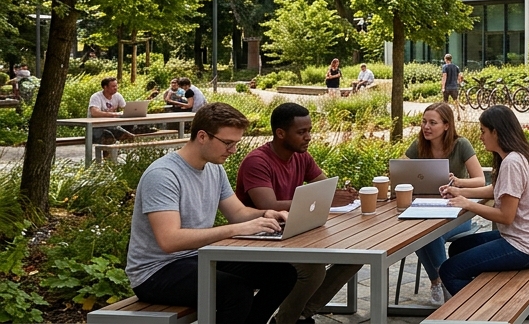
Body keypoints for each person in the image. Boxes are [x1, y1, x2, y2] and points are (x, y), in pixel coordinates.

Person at [126, 102, 297, 323]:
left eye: (236, 143)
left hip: (199, 258)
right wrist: (237, 229)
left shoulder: (214, 168)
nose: (233, 150)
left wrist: (267, 214)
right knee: (236, 292)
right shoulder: (163, 175)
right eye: (227, 143)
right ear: (202, 136)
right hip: (156, 272)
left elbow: (237, 212)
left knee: (283, 276)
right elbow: (169, 240)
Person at [236, 103, 360, 324]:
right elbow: (269, 206)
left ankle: (301, 314)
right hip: (261, 236)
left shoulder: (301, 156)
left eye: (309, 130)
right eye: (301, 132)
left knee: (355, 256)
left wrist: (340, 194)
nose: (308, 137)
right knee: (313, 271)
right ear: (280, 133)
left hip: (295, 231)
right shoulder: (257, 162)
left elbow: (324, 187)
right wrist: (328, 198)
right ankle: (286, 321)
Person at [439, 105, 529, 295]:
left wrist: (468, 205)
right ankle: (480, 294)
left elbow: (505, 216)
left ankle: (480, 310)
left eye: (483, 131)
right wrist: (461, 192)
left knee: (449, 271)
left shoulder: (512, 162)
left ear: (496, 132)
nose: (480, 137)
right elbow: (499, 190)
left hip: (526, 245)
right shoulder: (520, 154)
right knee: (459, 247)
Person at [404, 102, 486, 304]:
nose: (426, 127)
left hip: (458, 213)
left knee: (429, 234)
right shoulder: (419, 145)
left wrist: (458, 181)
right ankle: (439, 282)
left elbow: (480, 180)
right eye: (424, 122)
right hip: (426, 208)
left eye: (433, 122)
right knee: (420, 233)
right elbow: (399, 168)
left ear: (446, 125)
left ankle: (442, 283)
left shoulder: (461, 145)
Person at [90, 76, 135, 152]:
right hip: (96, 127)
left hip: (112, 126)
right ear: (105, 87)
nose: (116, 88)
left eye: (116, 85)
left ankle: (124, 157)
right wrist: (113, 114)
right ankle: (109, 161)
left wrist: (133, 111)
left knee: (129, 137)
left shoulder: (117, 96)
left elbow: (126, 108)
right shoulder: (96, 97)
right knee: (108, 138)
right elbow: (94, 112)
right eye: (113, 86)